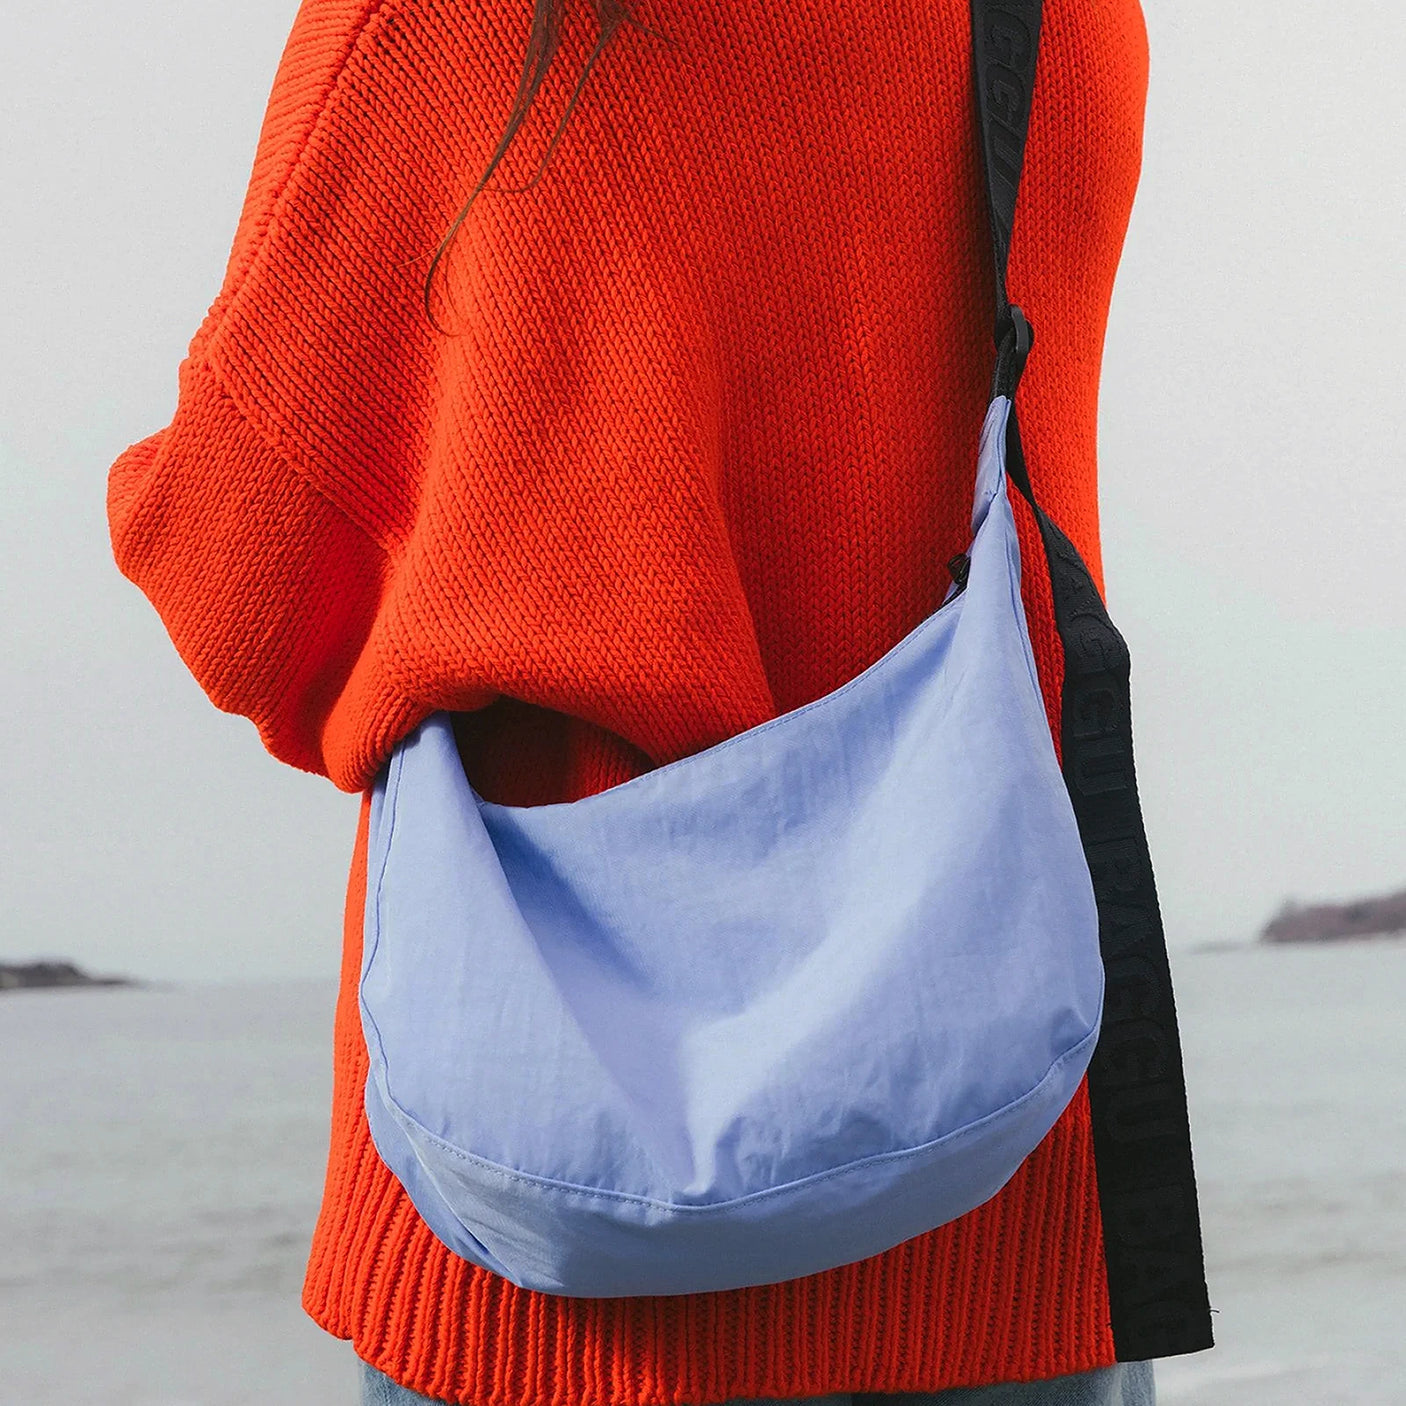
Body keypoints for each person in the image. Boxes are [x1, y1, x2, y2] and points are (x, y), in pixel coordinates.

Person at [106, 1, 1205, 1402]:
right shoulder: (1060, 18)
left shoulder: (447, 25)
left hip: (544, 1207)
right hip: (989, 1167)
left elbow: (241, 574)